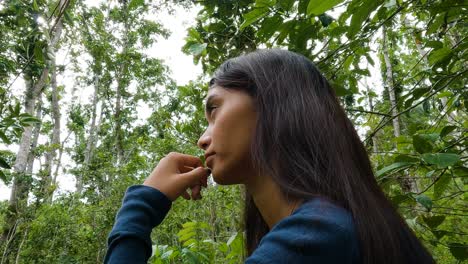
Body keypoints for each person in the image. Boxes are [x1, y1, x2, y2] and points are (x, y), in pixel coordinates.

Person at [104, 49, 435, 263]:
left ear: (272, 104)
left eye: (214, 109)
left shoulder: (318, 235)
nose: (202, 139)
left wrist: (141, 206)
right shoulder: (332, 228)